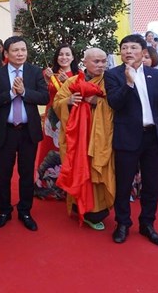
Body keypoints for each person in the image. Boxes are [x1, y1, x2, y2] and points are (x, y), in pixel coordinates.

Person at [104, 34, 158, 246]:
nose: (128, 51)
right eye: (124, 48)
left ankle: (147, 224)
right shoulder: (113, 75)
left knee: (152, 186)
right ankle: (123, 223)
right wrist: (128, 84)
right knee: (123, 184)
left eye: (133, 47)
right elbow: (115, 103)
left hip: (152, 138)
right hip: (128, 137)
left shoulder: (155, 75)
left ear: (143, 52)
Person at [0, 36, 48, 232]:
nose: (20, 54)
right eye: (15, 50)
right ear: (6, 53)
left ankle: (25, 211)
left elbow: (44, 97)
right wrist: (12, 94)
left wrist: (24, 92)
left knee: (26, 173)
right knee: (4, 174)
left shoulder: (35, 72)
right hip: (6, 131)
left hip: (28, 131)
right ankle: (4, 211)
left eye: (23, 50)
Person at [53, 48, 114, 230]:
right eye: (96, 61)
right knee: (78, 169)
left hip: (100, 138)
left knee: (98, 170)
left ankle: (96, 212)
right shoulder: (72, 81)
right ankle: (78, 206)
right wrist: (69, 101)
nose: (101, 65)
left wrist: (99, 102)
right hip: (77, 139)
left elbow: (118, 104)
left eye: (104, 61)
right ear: (84, 63)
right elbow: (57, 104)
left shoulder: (110, 81)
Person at [34, 44, 79, 200]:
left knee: (66, 149)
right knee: (49, 148)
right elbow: (43, 95)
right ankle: (44, 185)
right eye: (61, 54)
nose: (64, 57)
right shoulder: (49, 73)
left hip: (69, 118)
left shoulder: (78, 75)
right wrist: (46, 80)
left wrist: (69, 83)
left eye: (67, 54)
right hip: (51, 117)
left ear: (73, 57)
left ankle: (65, 186)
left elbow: (80, 96)